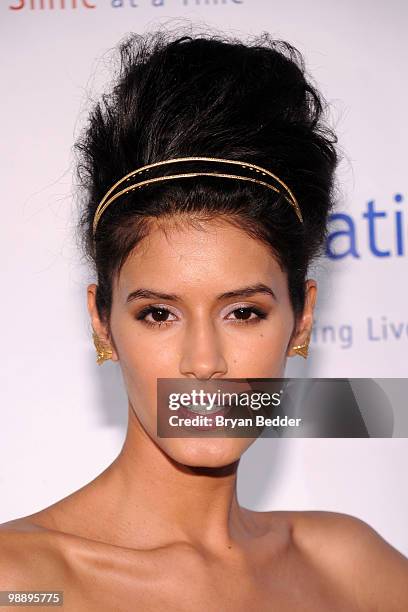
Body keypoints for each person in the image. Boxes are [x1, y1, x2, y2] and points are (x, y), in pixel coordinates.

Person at [1, 26, 407, 611]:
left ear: (301, 319)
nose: (203, 363)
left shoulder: (345, 565)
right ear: (101, 321)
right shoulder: (22, 583)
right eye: (158, 313)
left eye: (244, 312)